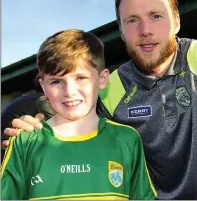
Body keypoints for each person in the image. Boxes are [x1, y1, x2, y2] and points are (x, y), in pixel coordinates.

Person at [2, 0, 197, 200]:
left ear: (176, 21)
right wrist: (34, 128)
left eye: (156, 16)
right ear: (121, 31)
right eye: (132, 20)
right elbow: (75, 125)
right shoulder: (113, 87)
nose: (145, 30)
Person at [1, 29, 156, 200]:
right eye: (57, 81)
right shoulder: (24, 141)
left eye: (81, 78)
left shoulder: (127, 139)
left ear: (103, 79)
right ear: (43, 87)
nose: (69, 91)